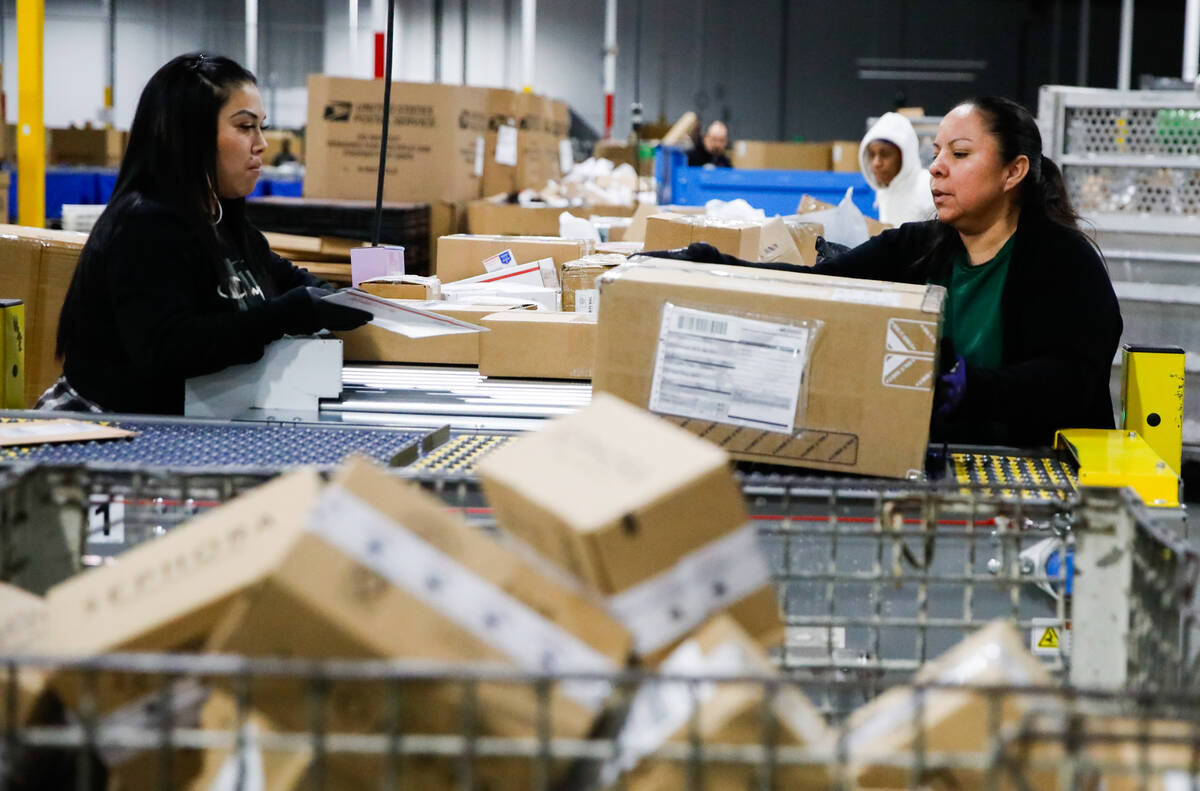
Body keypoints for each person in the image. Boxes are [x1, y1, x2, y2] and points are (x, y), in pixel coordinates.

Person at [39, 53, 370, 415]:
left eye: (261, 126)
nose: (261, 144)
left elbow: (284, 277)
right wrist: (284, 316)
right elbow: (170, 349)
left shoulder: (221, 218)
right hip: (107, 428)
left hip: (179, 422)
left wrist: (337, 300)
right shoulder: (144, 227)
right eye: (245, 127)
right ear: (189, 134)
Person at [813, 96, 1122, 448]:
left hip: (1041, 470)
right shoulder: (915, 247)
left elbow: (1073, 381)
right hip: (936, 463)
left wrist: (972, 387)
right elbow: (812, 283)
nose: (936, 168)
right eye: (936, 153)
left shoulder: (1065, 262)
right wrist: (736, 271)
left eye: (959, 154)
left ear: (1013, 171)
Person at [859, 112, 936, 225]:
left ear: (904, 156)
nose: (876, 163)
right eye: (871, 154)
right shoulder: (885, 190)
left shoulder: (928, 186)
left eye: (885, 154)